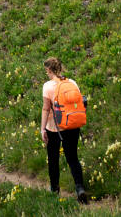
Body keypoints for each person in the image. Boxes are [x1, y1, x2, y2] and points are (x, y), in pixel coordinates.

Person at [41, 57, 88, 204]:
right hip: (72, 126)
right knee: (73, 158)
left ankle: (54, 190)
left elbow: (46, 108)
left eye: (46, 71)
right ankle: (80, 188)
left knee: (53, 159)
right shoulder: (71, 82)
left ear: (49, 70)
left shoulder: (47, 86)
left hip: (54, 128)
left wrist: (42, 129)